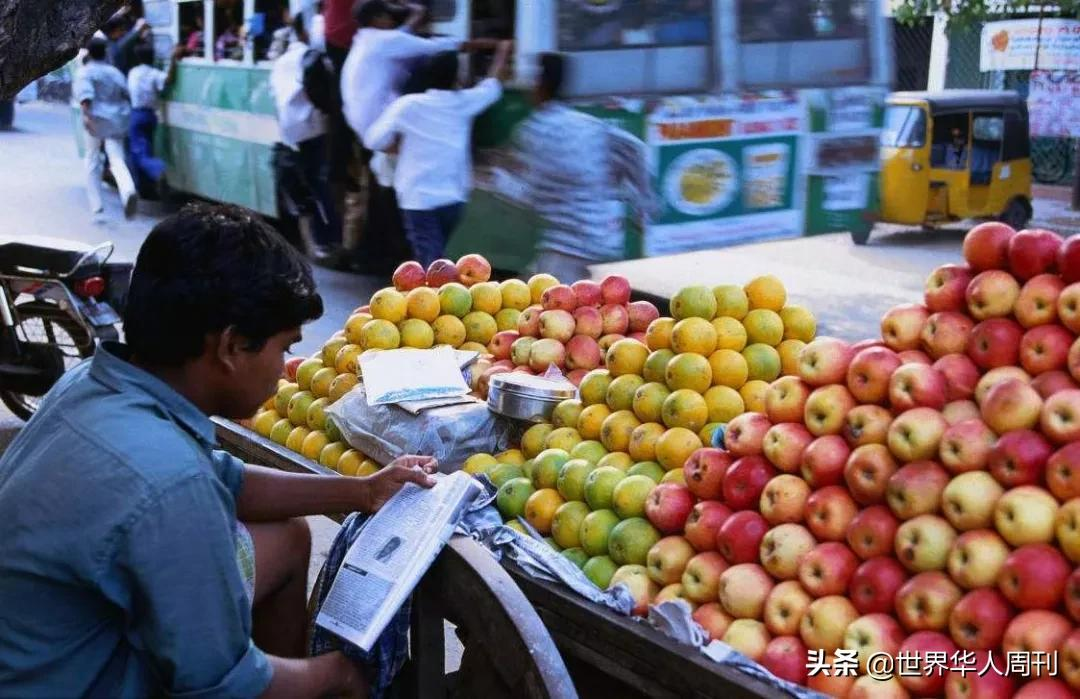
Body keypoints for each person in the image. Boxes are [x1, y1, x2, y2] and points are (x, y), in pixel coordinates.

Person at [0, 203, 438, 696]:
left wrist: (363, 492)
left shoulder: (93, 385)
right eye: (284, 348)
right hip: (75, 681)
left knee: (290, 538)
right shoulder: (170, 484)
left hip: (43, 646)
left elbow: (227, 480)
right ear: (230, 348)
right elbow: (222, 686)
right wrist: (337, 674)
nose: (284, 368)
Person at [340, 0, 467, 273]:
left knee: (396, 197)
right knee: (409, 202)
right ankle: (425, 272)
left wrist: (412, 12)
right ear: (377, 19)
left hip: (371, 128)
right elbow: (438, 47)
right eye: (389, 14)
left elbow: (406, 35)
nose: (393, 19)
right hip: (381, 130)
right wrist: (490, 45)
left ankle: (405, 260)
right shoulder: (383, 44)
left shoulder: (369, 41)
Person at [507, 53, 652, 282]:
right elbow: (636, 150)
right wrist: (643, 205)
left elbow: (529, 194)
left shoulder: (533, 132)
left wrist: (497, 178)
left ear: (539, 85)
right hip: (604, 246)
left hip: (564, 251)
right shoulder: (588, 125)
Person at [365, 41, 512, 266]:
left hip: (418, 197)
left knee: (432, 263)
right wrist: (503, 51)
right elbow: (493, 84)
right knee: (439, 261)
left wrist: (398, 148)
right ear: (457, 78)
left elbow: (373, 139)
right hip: (453, 197)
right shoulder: (464, 102)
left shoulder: (408, 105)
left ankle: (433, 298)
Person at [270, 15, 343, 261]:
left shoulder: (281, 61)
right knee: (321, 187)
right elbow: (322, 94)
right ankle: (328, 240)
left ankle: (318, 241)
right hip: (314, 129)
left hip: (290, 134)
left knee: (307, 190)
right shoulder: (314, 59)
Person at [76, 37, 138, 219]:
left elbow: (85, 97)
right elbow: (127, 94)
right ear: (105, 52)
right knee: (117, 158)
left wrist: (87, 117)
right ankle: (128, 192)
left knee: (93, 159)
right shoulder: (115, 72)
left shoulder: (85, 72)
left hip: (95, 119)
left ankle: (96, 207)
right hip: (116, 119)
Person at [128, 43, 182, 197]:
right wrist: (172, 59)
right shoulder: (154, 73)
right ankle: (147, 187)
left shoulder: (133, 72)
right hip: (151, 115)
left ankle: (158, 169)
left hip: (137, 114)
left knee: (138, 153)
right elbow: (168, 79)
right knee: (146, 147)